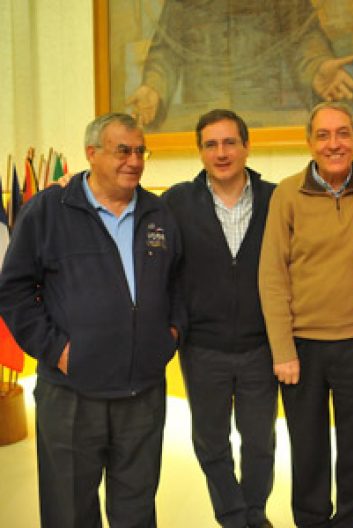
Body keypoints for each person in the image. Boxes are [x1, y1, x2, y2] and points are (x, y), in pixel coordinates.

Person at [0, 113, 184, 527]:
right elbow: (13, 290)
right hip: (70, 395)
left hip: (143, 394)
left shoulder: (159, 212)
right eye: (122, 150)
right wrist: (57, 350)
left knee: (136, 511)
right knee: (69, 510)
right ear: (91, 154)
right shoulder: (48, 210)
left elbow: (179, 283)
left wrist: (170, 334)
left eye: (140, 151)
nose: (134, 161)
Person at [258, 102, 353, 528]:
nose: (335, 144)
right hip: (303, 349)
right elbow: (272, 276)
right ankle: (311, 521)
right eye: (325, 135)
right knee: (308, 447)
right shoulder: (287, 194)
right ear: (310, 142)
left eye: (343, 133)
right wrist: (282, 350)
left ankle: (350, 520)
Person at [162, 109, 277, 528]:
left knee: (260, 443)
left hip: (262, 348)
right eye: (211, 144)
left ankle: (256, 512)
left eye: (230, 142)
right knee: (211, 442)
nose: (221, 152)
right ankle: (234, 517)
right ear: (200, 152)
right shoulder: (175, 201)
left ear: (246, 146)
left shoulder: (275, 199)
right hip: (202, 349)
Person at [128, 0, 353, 130]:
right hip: (202, 115)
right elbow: (167, 49)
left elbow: (303, 36)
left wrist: (315, 65)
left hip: (264, 111)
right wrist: (154, 88)